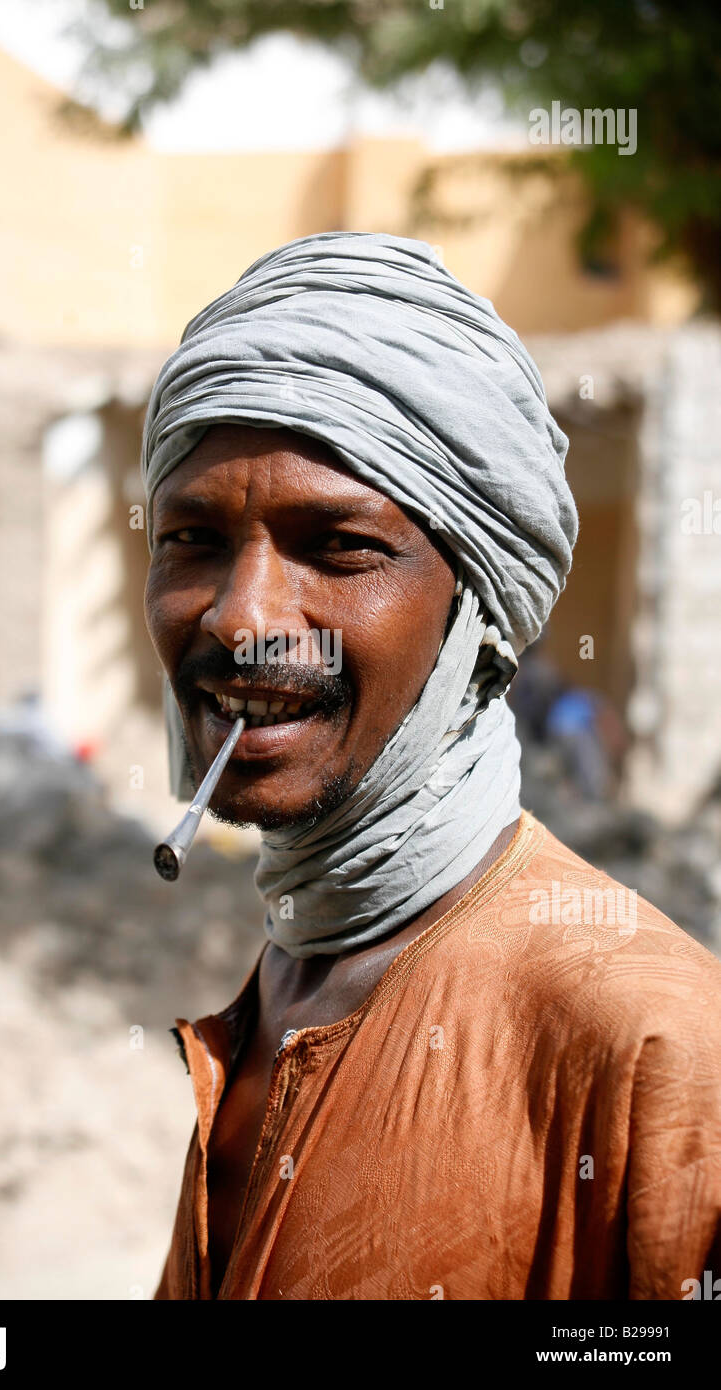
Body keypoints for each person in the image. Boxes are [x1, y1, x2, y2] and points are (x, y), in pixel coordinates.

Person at [143, 233, 721, 1300]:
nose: (240, 617)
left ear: (479, 620)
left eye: (339, 547)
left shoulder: (654, 1048)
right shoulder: (294, 968)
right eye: (191, 539)